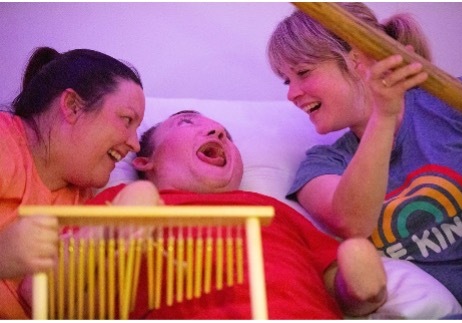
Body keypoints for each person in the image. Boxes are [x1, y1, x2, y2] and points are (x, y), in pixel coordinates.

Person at [267, 3, 462, 317]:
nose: (291, 94)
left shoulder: (459, 101)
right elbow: (354, 222)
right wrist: (384, 115)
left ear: (357, 58)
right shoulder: (321, 165)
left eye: (303, 73)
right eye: (286, 80)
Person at [85, 110, 387, 319]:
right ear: (144, 162)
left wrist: (362, 291)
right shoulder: (123, 202)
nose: (217, 132)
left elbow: (336, 285)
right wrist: (117, 225)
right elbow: (64, 284)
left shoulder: (272, 209)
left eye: (227, 135)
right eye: (186, 123)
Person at [0, 46, 146, 318]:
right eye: (127, 120)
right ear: (73, 107)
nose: (135, 144)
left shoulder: (85, 200)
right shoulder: (5, 141)